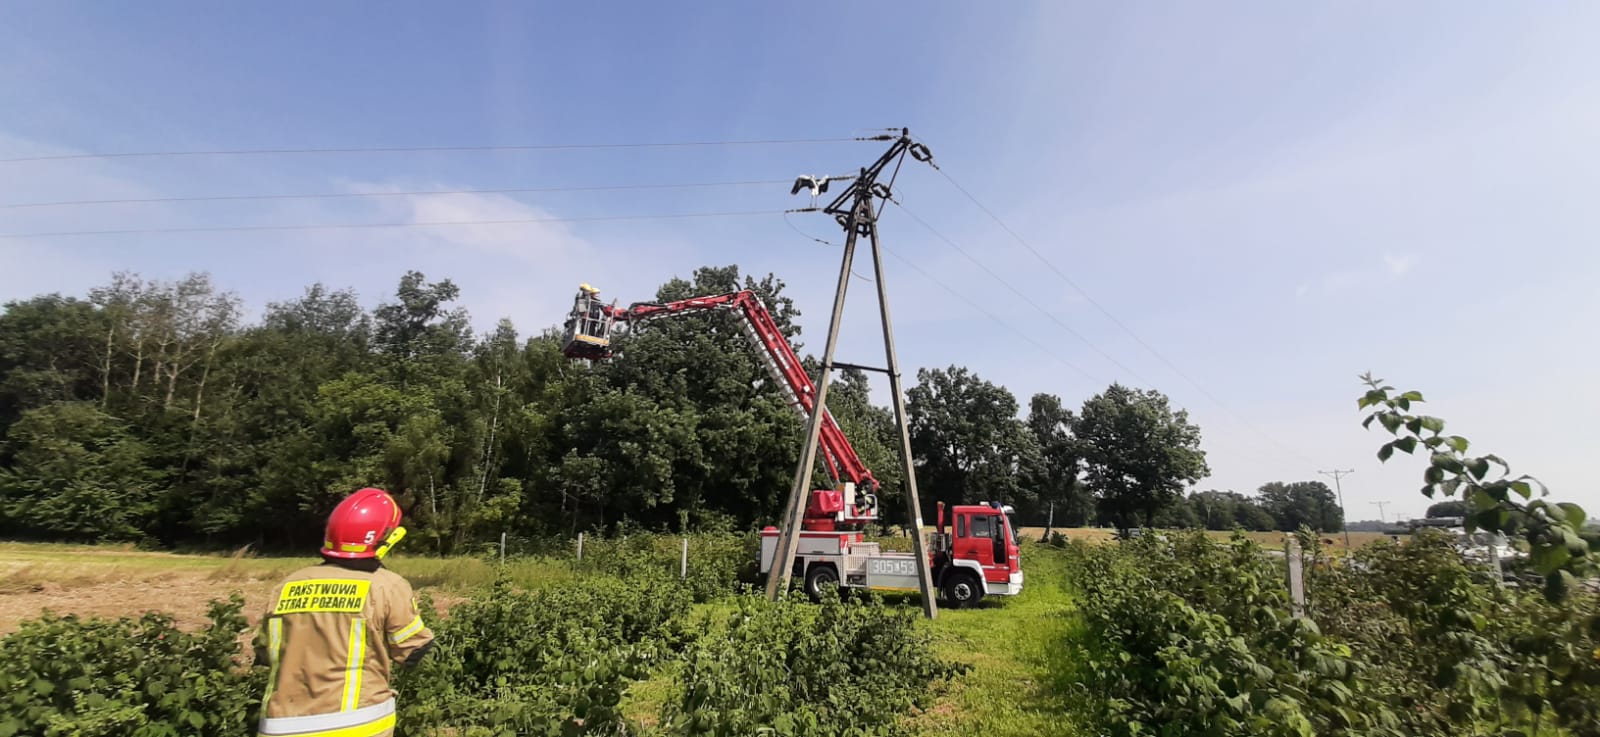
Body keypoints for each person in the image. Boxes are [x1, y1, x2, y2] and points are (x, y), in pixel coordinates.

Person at [254, 488, 434, 737]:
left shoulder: (286, 586)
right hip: (358, 720)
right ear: (382, 538)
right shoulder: (386, 585)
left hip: (281, 725)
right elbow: (412, 651)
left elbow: (264, 653)